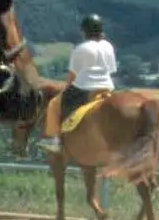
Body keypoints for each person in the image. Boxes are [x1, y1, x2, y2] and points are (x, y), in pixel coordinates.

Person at [42, 14, 117, 154]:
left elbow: (72, 75)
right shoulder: (108, 46)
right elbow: (111, 70)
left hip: (85, 88)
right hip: (107, 87)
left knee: (53, 105)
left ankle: (54, 140)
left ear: (84, 31)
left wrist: (67, 88)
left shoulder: (80, 48)